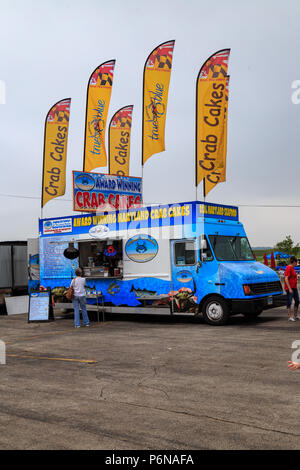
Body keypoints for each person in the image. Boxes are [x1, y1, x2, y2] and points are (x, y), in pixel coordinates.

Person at [284, 255, 300, 322]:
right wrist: (289, 288)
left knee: (297, 301)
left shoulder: (292, 268)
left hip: (294, 287)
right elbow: (286, 278)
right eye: (296, 263)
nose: (296, 264)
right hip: (289, 288)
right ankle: (289, 316)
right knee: (289, 302)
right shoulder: (288, 268)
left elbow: (293, 277)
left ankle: (295, 315)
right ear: (294, 262)